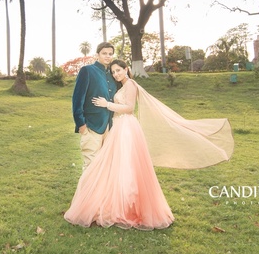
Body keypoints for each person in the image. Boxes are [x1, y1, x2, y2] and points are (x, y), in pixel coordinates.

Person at [64, 60, 234, 230]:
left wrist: (106, 104)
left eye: (118, 70)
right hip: (119, 127)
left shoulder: (131, 84)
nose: (116, 74)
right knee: (118, 165)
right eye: (113, 72)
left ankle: (128, 206)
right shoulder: (122, 86)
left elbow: (129, 108)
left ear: (126, 69)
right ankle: (118, 204)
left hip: (127, 128)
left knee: (127, 165)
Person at [72, 42, 118, 170]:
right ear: (97, 54)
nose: (107, 56)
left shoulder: (112, 75)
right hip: (91, 126)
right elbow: (77, 100)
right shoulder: (87, 71)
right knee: (91, 167)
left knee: (105, 167)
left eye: (110, 54)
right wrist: (81, 124)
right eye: (104, 53)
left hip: (109, 127)